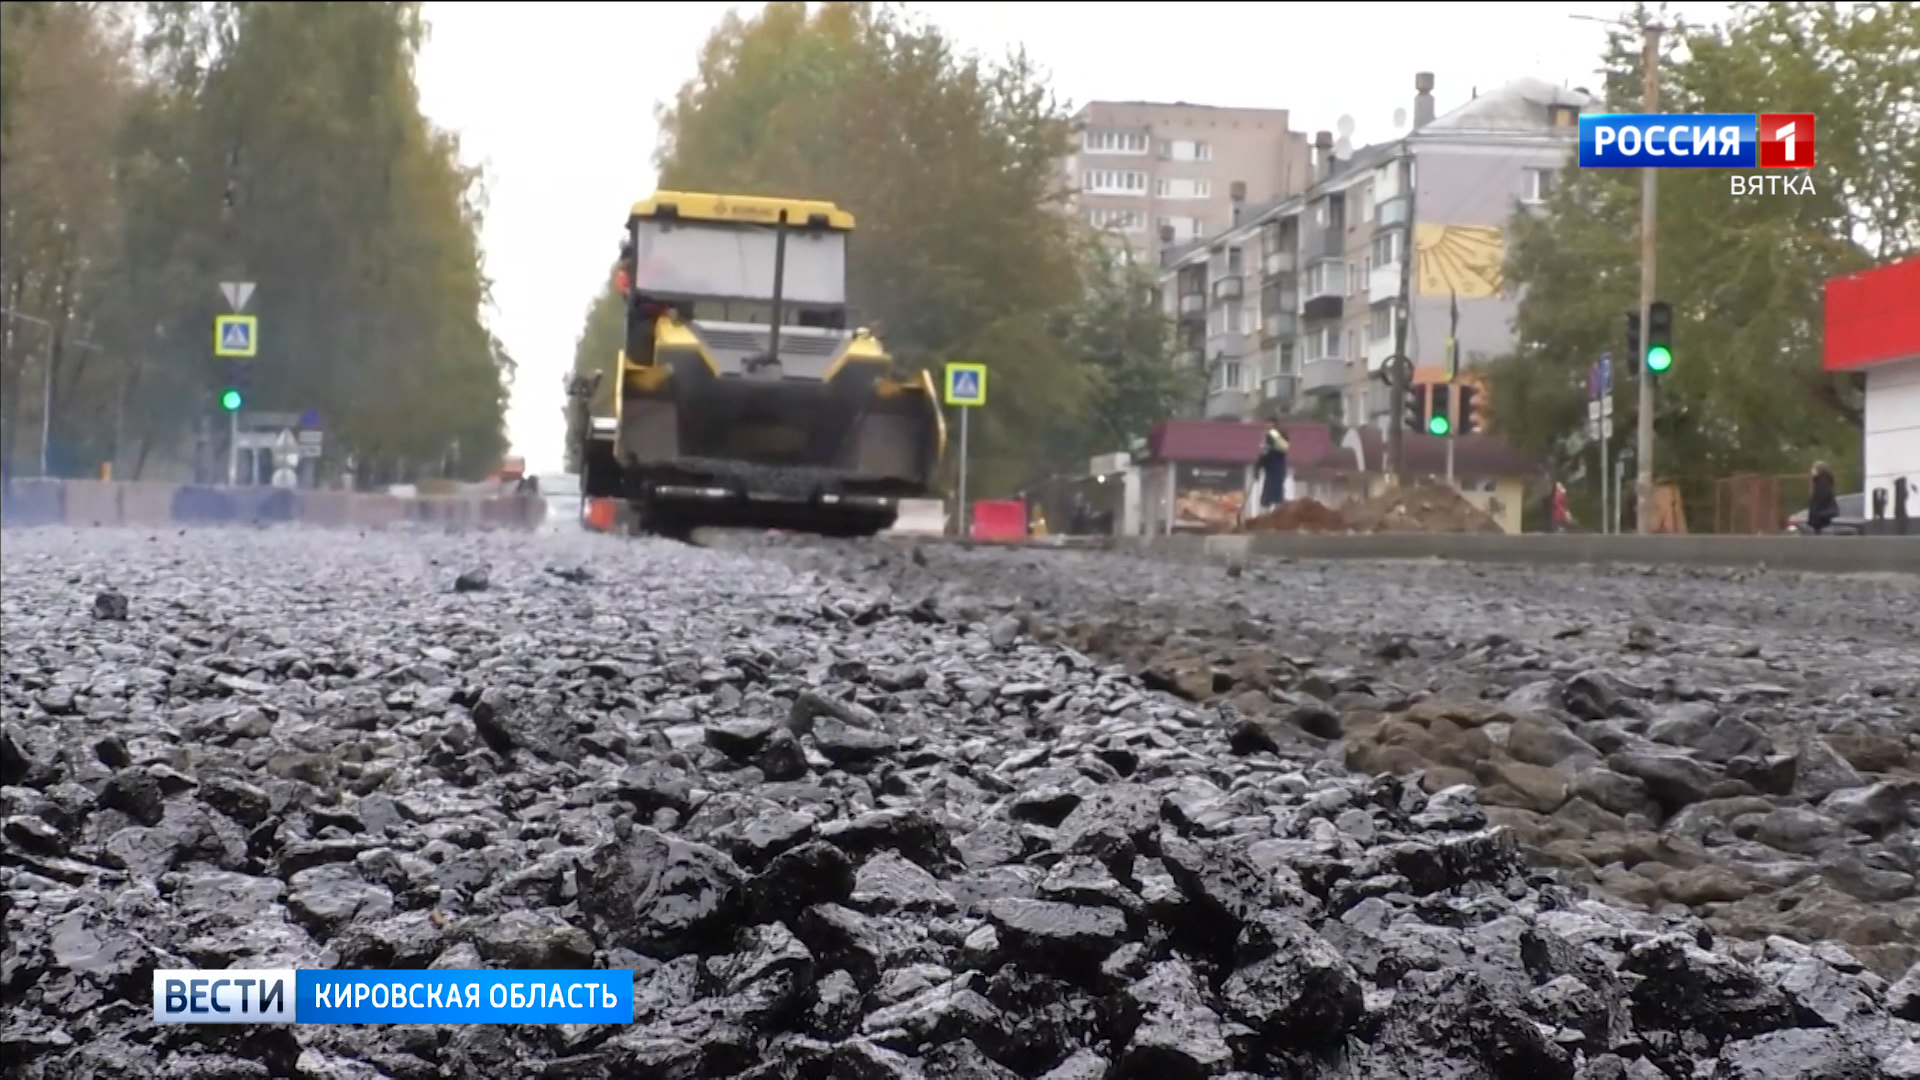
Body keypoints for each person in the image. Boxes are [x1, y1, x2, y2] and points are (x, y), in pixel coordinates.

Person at [1255, 423, 1289, 510]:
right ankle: (1267, 513)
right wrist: (1257, 469)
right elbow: (1262, 455)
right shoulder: (1267, 438)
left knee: (1276, 494)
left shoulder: (1278, 435)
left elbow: (1284, 447)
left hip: (1277, 469)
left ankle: (1277, 512)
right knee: (1267, 496)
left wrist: (1272, 432)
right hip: (1270, 469)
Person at [1806, 461, 1839, 535]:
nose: (1812, 470)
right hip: (1822, 521)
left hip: (1822, 522)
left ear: (1820, 470)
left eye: (1814, 468)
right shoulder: (1822, 482)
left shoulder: (1822, 483)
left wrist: (1815, 516)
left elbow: (1819, 501)